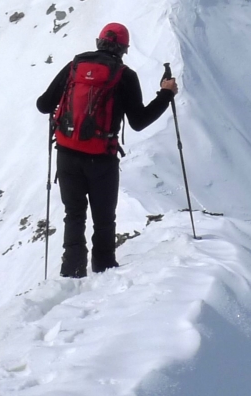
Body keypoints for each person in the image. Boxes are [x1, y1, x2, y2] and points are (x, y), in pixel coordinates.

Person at [36, 22, 176, 278]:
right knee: (103, 219)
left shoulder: (75, 66)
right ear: (124, 49)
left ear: (99, 42)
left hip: (67, 154)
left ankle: (72, 272)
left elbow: (43, 105)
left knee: (74, 214)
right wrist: (165, 95)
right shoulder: (125, 75)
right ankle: (104, 270)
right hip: (101, 159)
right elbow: (139, 121)